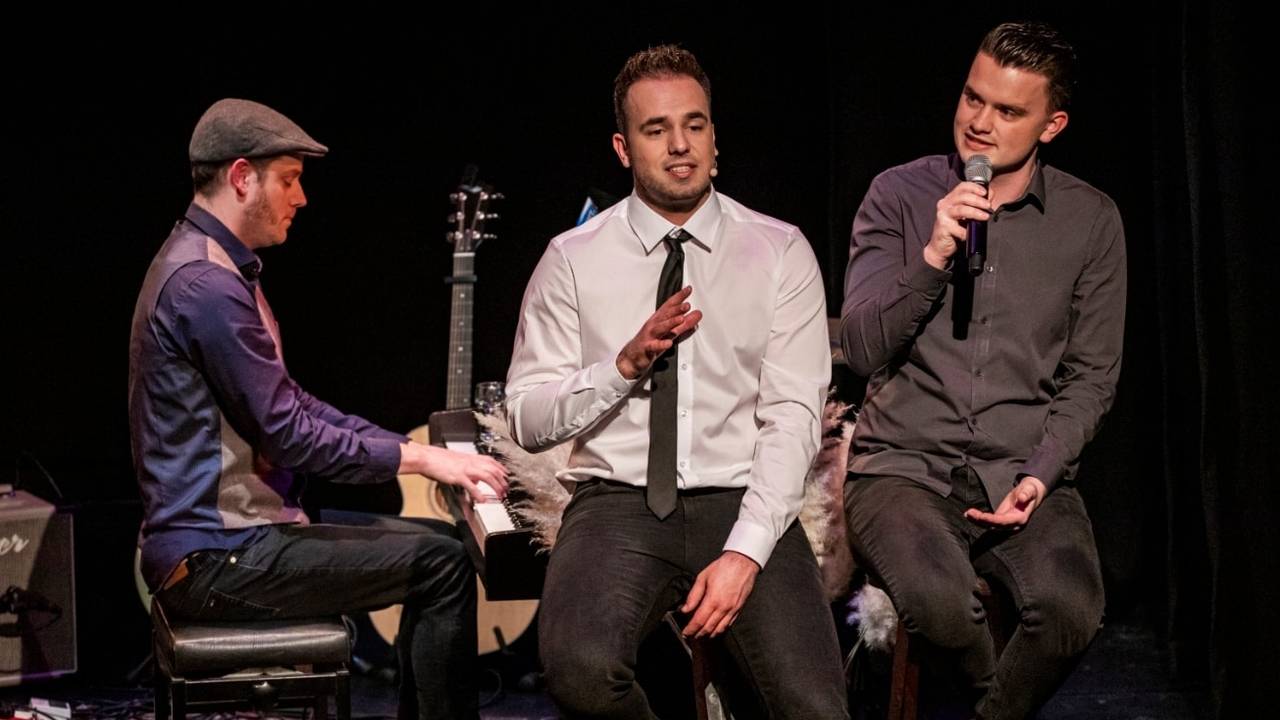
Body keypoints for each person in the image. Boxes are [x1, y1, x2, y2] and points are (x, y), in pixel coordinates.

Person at [128, 97, 507, 720]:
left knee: (438, 546)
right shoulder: (207, 285)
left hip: (234, 541)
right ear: (242, 177)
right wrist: (417, 459)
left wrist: (419, 452)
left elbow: (290, 403)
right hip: (217, 558)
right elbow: (288, 434)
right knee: (442, 564)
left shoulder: (212, 264)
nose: (300, 199)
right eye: (289, 180)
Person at [505, 46, 849, 718]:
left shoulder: (779, 251)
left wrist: (746, 554)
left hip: (741, 497)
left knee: (814, 706)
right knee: (580, 668)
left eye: (695, 125)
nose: (680, 145)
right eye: (656, 130)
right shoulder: (571, 259)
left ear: (715, 136)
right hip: (617, 505)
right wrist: (621, 369)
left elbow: (792, 420)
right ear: (623, 147)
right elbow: (526, 417)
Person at [840, 22, 1126, 719]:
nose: (980, 123)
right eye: (974, 98)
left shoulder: (1090, 221)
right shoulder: (898, 197)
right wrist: (933, 255)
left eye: (1008, 111)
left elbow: (1091, 376)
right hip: (902, 469)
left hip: (1022, 469)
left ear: (1052, 125)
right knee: (942, 609)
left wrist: (1040, 473)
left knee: (1068, 612)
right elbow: (863, 346)